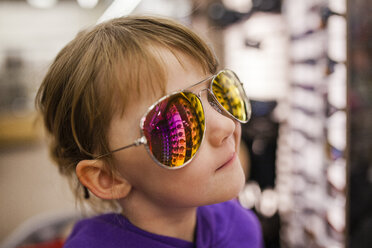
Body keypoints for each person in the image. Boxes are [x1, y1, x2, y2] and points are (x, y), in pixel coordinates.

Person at [36, 16, 263, 248]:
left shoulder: (240, 226)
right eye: (177, 123)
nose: (226, 125)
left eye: (220, 93)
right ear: (108, 177)